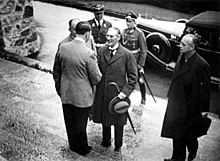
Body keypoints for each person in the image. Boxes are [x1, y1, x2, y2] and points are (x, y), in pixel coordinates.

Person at [53, 21, 102, 156]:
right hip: (82, 97)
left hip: (66, 93)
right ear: (87, 34)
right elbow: (96, 78)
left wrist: (60, 89)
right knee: (81, 124)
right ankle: (83, 148)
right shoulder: (89, 53)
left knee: (69, 122)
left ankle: (73, 145)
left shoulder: (63, 47)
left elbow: (56, 71)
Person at [161, 34, 211, 161]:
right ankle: (176, 157)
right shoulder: (181, 57)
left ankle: (192, 149)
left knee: (186, 134)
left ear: (192, 47)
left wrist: (204, 109)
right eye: (180, 43)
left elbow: (205, 90)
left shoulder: (201, 65)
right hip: (176, 102)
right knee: (175, 132)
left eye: (183, 44)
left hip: (190, 106)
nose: (180, 46)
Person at [93, 27, 138, 154]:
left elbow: (133, 77)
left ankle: (118, 144)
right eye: (107, 36)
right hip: (104, 93)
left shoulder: (127, 54)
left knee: (118, 121)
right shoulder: (101, 51)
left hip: (119, 95)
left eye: (111, 36)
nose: (108, 38)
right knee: (105, 119)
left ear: (118, 38)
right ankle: (106, 141)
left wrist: (124, 93)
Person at [121, 11, 147, 105]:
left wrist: (140, 65)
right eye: (127, 21)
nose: (128, 23)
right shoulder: (124, 31)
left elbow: (144, 51)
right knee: (124, 77)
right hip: (124, 59)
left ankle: (143, 97)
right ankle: (124, 95)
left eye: (130, 21)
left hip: (135, 60)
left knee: (140, 79)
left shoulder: (139, 34)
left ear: (134, 22)